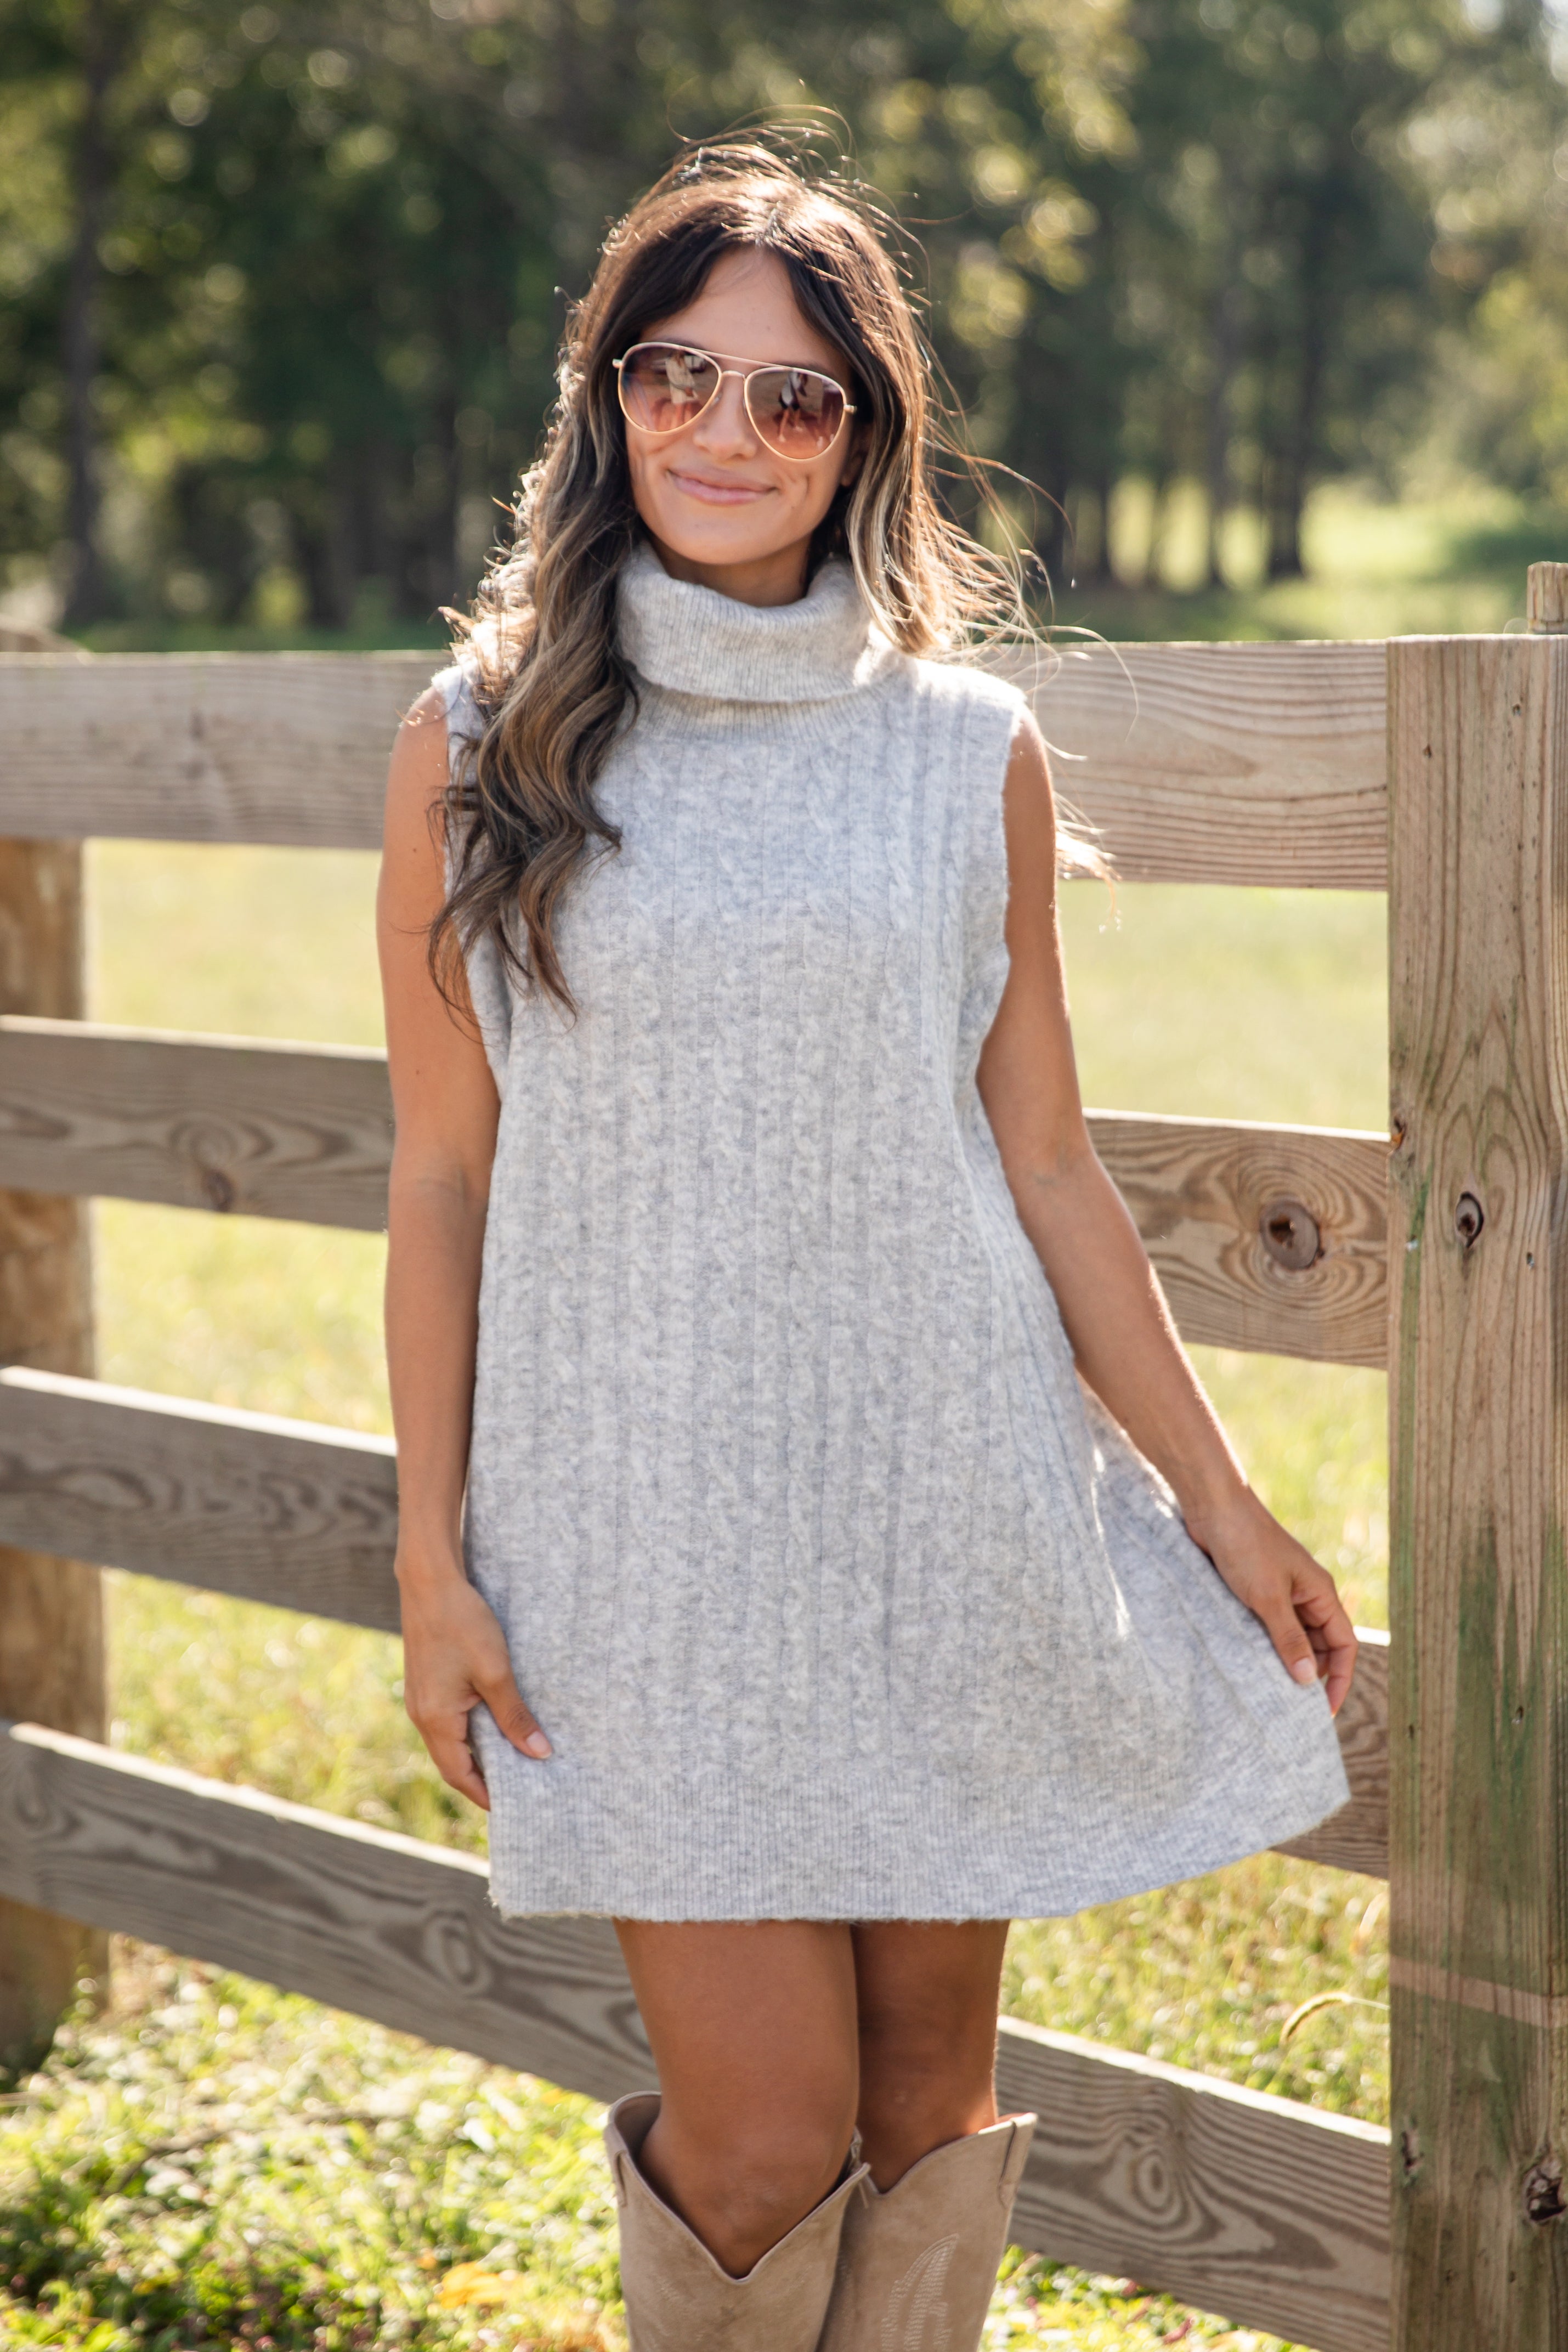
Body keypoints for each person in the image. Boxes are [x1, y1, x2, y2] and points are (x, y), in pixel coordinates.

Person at [377, 142, 1357, 2352]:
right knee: (754, 2140)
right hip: (631, 1542)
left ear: (868, 433)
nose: (725, 434)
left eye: (792, 397)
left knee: (926, 2110)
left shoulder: (961, 752)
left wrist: (1217, 1503)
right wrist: (432, 1554)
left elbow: (1048, 1168)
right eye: (677, 374)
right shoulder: (475, 742)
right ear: (605, 397)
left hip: (941, 1510)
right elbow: (441, 1181)